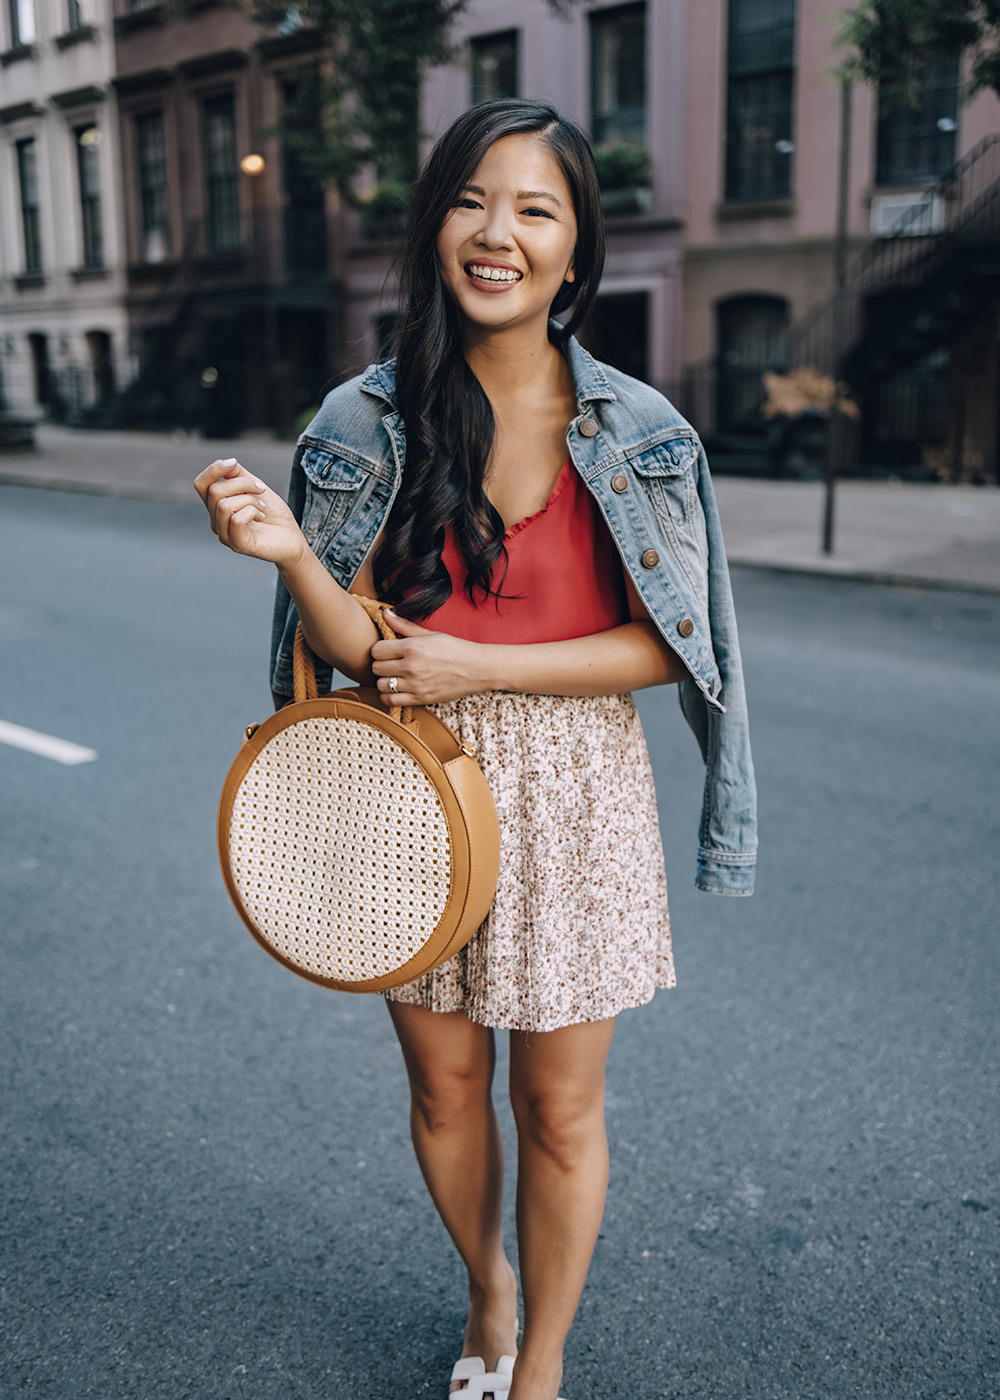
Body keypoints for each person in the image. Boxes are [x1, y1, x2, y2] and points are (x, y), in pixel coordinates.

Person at [195, 98, 756, 1400]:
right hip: (404, 786)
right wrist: (290, 554)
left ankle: (543, 1366)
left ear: (576, 252)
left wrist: (483, 666)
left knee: (557, 1107)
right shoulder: (361, 418)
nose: (497, 232)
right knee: (448, 1092)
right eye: (471, 199)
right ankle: (488, 1297)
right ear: (434, 222)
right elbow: (353, 645)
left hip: (575, 790)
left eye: (535, 209)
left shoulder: (643, 433)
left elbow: (675, 647)